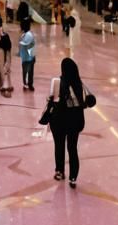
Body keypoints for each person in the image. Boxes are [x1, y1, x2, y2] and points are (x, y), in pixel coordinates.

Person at [46, 57, 94, 188]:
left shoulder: (56, 82)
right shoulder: (79, 84)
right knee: (72, 148)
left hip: (59, 120)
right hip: (75, 120)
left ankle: (60, 171)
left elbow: (51, 99)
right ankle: (73, 177)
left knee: (59, 146)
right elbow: (87, 101)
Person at [18, 18, 36, 91]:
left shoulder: (28, 35)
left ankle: (28, 84)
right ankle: (26, 84)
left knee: (28, 71)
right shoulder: (25, 35)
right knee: (26, 71)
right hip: (26, 57)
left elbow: (26, 44)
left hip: (29, 58)